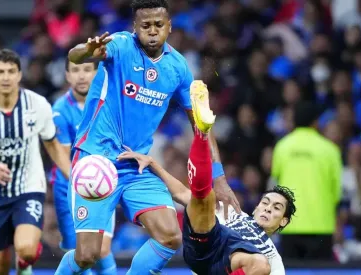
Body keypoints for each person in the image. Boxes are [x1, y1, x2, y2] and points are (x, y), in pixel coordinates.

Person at [55, 0, 240, 274]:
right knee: (87, 256)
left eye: (158, 25)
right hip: (95, 161)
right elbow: (76, 55)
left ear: (169, 27)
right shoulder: (119, 46)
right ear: (135, 27)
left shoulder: (178, 68)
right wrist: (87, 51)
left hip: (135, 164)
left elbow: (202, 126)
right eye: (145, 26)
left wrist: (219, 179)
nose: (152, 31)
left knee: (170, 236)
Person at [117, 81, 294, 275]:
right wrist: (153, 164)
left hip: (227, 265)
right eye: (266, 202)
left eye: (276, 208)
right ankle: (201, 134)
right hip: (206, 244)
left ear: (283, 222)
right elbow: (183, 194)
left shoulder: (273, 259)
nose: (268, 208)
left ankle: (202, 136)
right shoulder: (233, 212)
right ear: (257, 206)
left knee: (260, 264)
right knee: (205, 198)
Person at [0, 49, 71, 275]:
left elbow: (52, 145)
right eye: (0, 72)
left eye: (11, 71)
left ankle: (25, 262)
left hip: (29, 188)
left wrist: (72, 178)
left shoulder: (38, 105)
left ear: (19, 75)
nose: (6, 77)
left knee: (27, 250)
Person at [50, 60, 117, 274]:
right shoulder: (60, 110)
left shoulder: (109, 105)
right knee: (81, 253)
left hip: (103, 183)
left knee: (103, 248)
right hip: (69, 186)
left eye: (87, 70)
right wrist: (85, 184)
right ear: (67, 75)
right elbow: (62, 155)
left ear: (97, 74)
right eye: (76, 70)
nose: (81, 76)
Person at [271, 101, 342, 260]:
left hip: (288, 225)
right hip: (321, 226)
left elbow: (275, 181)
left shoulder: (282, 147)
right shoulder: (330, 150)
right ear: (316, 122)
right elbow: (336, 192)